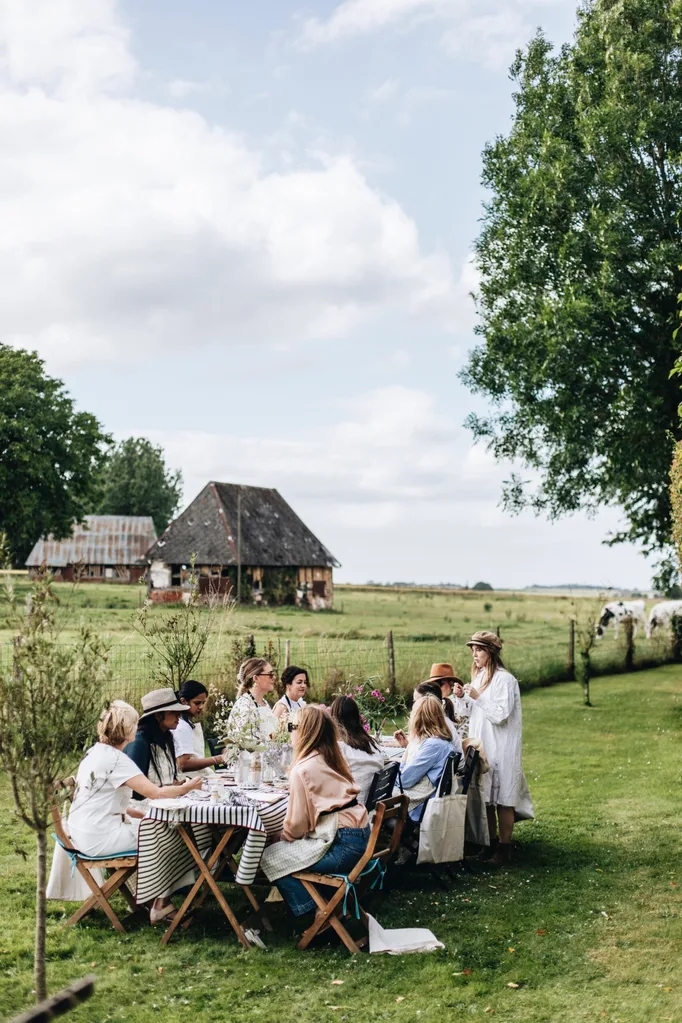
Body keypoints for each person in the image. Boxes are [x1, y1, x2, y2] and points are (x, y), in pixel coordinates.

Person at [47, 700, 202, 924]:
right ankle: (161, 904)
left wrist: (137, 815)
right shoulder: (116, 760)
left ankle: (150, 896)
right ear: (128, 729)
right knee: (176, 836)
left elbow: (103, 801)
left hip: (85, 831)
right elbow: (155, 793)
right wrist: (188, 787)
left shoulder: (94, 753)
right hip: (100, 838)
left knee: (159, 829)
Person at [272, 706, 370, 917]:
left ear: (304, 730)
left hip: (341, 845)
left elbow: (297, 825)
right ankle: (329, 903)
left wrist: (281, 836)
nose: (289, 731)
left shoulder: (302, 769)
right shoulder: (332, 756)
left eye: (291, 726)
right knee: (282, 852)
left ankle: (320, 911)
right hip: (360, 835)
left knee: (271, 857)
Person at [452, 631, 534, 865]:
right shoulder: (478, 677)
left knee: (503, 799)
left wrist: (477, 696)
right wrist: (462, 698)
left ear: (491, 652)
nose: (474, 654)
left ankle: (505, 848)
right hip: (484, 745)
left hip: (502, 746)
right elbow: (469, 714)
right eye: (472, 650)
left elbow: (500, 715)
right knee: (486, 797)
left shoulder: (504, 680)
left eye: (478, 649)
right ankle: (490, 844)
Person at [394, 696, 456, 824]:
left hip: (418, 807)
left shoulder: (433, 745)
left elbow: (405, 780)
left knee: (373, 791)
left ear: (418, 718)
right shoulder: (440, 741)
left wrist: (402, 760)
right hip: (425, 800)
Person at [125, 688, 188, 789]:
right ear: (158, 716)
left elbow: (165, 779)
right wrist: (168, 790)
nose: (178, 716)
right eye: (172, 712)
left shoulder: (167, 737)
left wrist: (176, 785)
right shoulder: (139, 742)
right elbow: (135, 788)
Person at [330, 695, 386, 805]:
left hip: (353, 810)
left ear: (333, 719)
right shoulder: (372, 743)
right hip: (373, 808)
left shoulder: (340, 748)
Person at [173, 680, 227, 777]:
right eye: (197, 703)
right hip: (188, 780)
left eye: (203, 702)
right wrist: (217, 759)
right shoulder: (182, 726)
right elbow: (183, 764)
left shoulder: (186, 723)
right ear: (183, 701)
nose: (201, 706)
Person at [224, 658, 279, 747]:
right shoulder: (244, 706)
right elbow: (246, 745)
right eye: (270, 674)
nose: (274, 677)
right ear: (256, 678)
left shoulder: (263, 702)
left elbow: (271, 735)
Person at [425, 662, 469, 740]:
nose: (436, 689)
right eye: (433, 686)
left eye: (440, 684)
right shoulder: (436, 703)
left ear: (451, 684)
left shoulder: (459, 701)